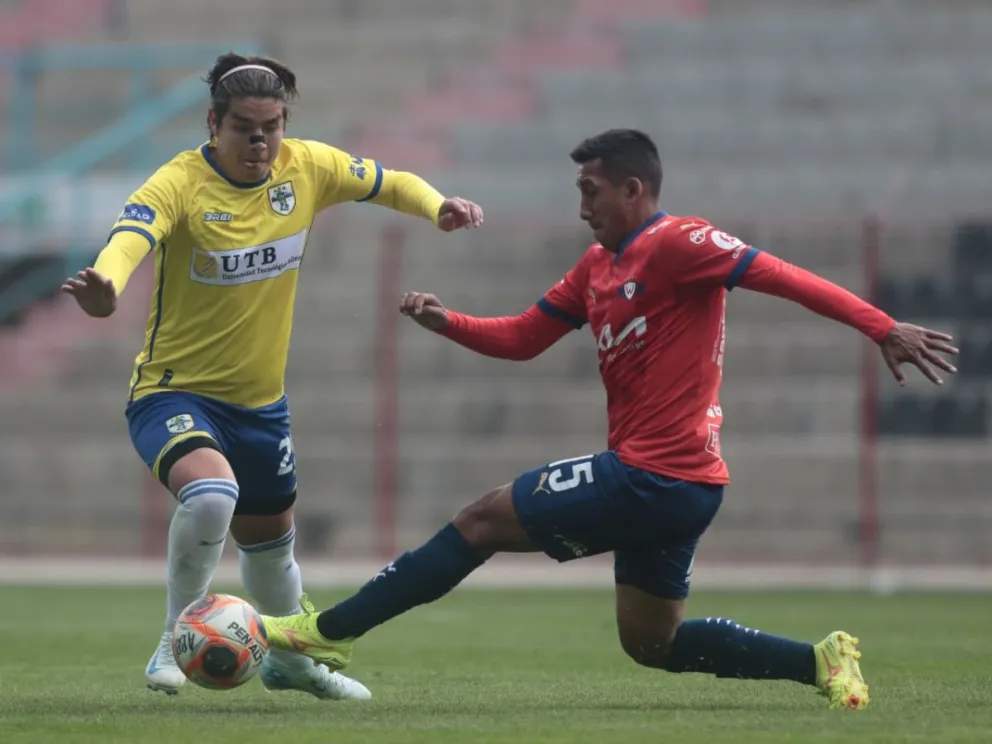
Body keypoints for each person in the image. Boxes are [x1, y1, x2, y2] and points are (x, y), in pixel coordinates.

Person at [251, 129, 956, 710]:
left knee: (480, 521)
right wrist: (447, 322)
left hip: (657, 475)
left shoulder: (680, 243)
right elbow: (524, 337)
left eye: (591, 192)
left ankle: (328, 633)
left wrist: (881, 326)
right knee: (652, 643)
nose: (582, 206)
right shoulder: (595, 268)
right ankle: (819, 663)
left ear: (632, 190)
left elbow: (783, 276)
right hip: (681, 488)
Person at [60, 52, 484, 700]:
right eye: (244, 128)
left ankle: (289, 662)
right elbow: (131, 236)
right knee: (210, 496)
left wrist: (436, 206)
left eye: (272, 126)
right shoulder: (179, 183)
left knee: (272, 553)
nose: (261, 141)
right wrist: (108, 286)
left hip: (260, 406)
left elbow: (386, 181)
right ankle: (174, 635)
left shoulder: (306, 167)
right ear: (212, 123)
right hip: (172, 392)